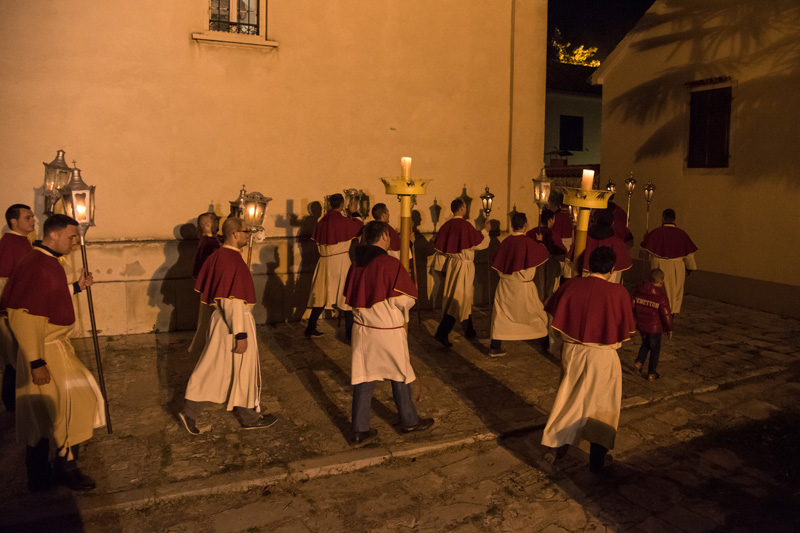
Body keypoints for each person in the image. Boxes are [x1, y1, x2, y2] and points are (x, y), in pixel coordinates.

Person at [1, 214, 104, 491]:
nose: (74, 242)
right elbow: (23, 316)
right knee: (70, 407)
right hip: (45, 351)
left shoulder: (46, 262)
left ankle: (43, 473)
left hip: (51, 348)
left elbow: (47, 296)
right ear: (54, 235)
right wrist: (37, 361)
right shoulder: (38, 264)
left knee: (48, 412)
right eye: (71, 237)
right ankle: (62, 469)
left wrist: (77, 287)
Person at [541, 246, 636, 474]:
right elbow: (625, 332)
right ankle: (596, 460)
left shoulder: (569, 286)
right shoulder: (618, 292)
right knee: (602, 408)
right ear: (612, 269)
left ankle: (555, 449)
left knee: (568, 400)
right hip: (603, 355)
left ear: (589, 265)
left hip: (572, 351)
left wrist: (560, 346)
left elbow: (553, 323)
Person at [180, 217, 277, 435]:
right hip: (232, 324)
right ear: (234, 234)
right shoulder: (229, 259)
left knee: (223, 370)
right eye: (244, 232)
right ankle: (243, 416)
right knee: (222, 370)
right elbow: (230, 300)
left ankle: (246, 414)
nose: (247, 236)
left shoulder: (221, 256)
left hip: (226, 322)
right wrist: (240, 334)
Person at [342, 221, 434, 446]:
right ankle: (409, 421)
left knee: (364, 377)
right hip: (387, 330)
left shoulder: (356, 263)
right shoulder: (389, 263)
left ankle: (359, 430)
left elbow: (349, 298)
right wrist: (412, 294)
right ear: (383, 236)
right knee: (400, 374)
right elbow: (402, 300)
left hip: (363, 330)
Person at [489, 212, 550, 357]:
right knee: (535, 314)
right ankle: (545, 343)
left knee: (501, 316)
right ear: (525, 225)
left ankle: (495, 346)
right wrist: (540, 242)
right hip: (523, 286)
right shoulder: (528, 242)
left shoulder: (506, 242)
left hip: (506, 286)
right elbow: (543, 253)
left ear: (512, 225)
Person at [432, 198, 489, 347]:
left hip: (453, 265)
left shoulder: (447, 225)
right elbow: (479, 243)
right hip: (464, 266)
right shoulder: (465, 225)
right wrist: (485, 231)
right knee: (458, 299)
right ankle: (442, 332)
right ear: (462, 208)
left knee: (464, 298)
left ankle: (469, 330)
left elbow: (441, 248)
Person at [305, 194, 363, 338]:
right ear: (342, 205)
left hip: (324, 262)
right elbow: (359, 225)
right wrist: (353, 212)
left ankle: (310, 328)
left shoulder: (320, 223)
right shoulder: (343, 221)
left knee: (321, 295)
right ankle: (349, 333)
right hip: (341, 261)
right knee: (346, 296)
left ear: (329, 204)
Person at [0, 204, 35, 412]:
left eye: (32, 217)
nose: (33, 220)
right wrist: (7, 310)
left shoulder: (22, 241)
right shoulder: (9, 244)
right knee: (15, 360)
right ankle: (12, 403)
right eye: (28, 217)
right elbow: (3, 280)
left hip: (20, 310)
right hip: (11, 313)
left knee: (19, 359)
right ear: (13, 221)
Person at [640, 208, 698, 314]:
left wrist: (646, 239)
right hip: (677, 266)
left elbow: (646, 251)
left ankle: (660, 310)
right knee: (675, 290)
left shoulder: (656, 232)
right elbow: (689, 255)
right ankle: (672, 312)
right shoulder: (682, 234)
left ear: (662, 218)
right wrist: (690, 268)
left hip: (658, 266)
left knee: (660, 289)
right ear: (674, 219)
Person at [188, 212, 221, 358]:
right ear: (208, 225)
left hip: (209, 286)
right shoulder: (209, 243)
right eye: (216, 222)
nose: (219, 225)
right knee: (209, 319)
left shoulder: (209, 241)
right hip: (212, 287)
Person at [568, 210, 632, 283]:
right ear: (612, 223)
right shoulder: (617, 242)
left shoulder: (583, 239)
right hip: (609, 283)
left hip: (585, 280)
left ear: (596, 220)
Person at [632, 268, 673, 381]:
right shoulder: (661, 296)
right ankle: (651, 373)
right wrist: (669, 328)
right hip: (654, 328)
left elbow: (632, 305)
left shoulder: (639, 291)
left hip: (641, 325)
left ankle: (639, 362)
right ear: (661, 281)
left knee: (646, 343)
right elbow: (666, 315)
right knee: (655, 349)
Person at [527, 208, 566, 303]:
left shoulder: (530, 233)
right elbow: (561, 251)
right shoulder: (551, 234)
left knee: (536, 290)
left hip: (532, 266)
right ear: (550, 220)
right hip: (549, 265)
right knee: (549, 290)